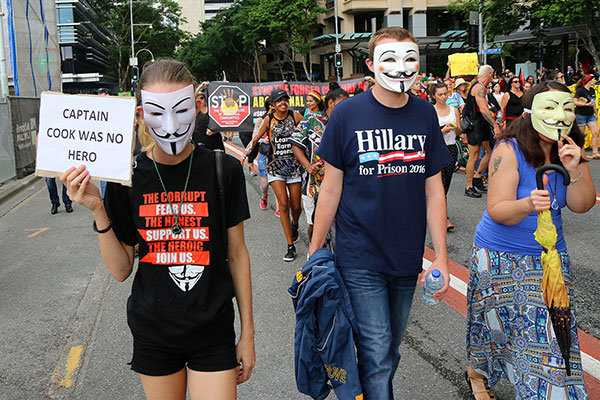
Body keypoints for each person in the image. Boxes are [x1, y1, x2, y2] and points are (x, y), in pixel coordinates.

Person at [60, 59, 255, 399]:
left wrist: (248, 333)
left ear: (197, 106)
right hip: (154, 332)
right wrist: (97, 208)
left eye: (180, 111)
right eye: (156, 112)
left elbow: (237, 255)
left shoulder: (224, 169)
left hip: (213, 330)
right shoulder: (129, 178)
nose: (170, 125)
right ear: (140, 114)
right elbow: (121, 270)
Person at [309, 27, 452, 400]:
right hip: (358, 255)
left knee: (387, 351)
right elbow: (331, 188)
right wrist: (314, 250)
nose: (401, 68)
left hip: (406, 257)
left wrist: (441, 256)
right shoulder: (346, 115)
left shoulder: (424, 115)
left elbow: (433, 187)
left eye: (410, 60)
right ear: (371, 65)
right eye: (390, 59)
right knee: (376, 350)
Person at [466, 81, 595, 400]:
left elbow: (582, 205)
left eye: (567, 108)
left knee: (553, 339)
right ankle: (478, 372)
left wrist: (575, 165)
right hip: (499, 257)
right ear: (530, 112)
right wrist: (527, 204)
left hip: (550, 259)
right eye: (550, 107)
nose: (560, 116)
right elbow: (497, 209)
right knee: (493, 325)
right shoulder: (509, 149)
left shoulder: (569, 148)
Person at [245, 89, 304, 262]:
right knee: (283, 205)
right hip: (276, 167)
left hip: (294, 167)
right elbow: (255, 139)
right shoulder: (268, 119)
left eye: (286, 100)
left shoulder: (295, 116)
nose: (283, 103)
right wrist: (246, 152)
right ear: (273, 104)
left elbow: (311, 128)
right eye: (279, 100)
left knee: (296, 206)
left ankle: (295, 224)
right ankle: (290, 245)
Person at [291, 87, 349, 241]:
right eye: (343, 102)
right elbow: (295, 145)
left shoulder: (348, 122)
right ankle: (315, 253)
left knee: (342, 225)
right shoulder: (311, 119)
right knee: (315, 224)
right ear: (330, 103)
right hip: (313, 184)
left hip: (342, 184)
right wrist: (308, 166)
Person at [464, 65, 502, 198]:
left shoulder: (480, 86)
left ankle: (478, 177)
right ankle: (469, 186)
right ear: (490, 74)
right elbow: (484, 109)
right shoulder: (479, 87)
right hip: (475, 125)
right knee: (473, 156)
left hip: (482, 125)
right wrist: (495, 126)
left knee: (490, 151)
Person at [431, 82, 462, 231]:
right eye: (440, 94)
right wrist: (442, 130)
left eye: (445, 93)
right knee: (440, 185)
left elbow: (460, 132)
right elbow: (428, 134)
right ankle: (443, 217)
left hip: (451, 148)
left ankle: (436, 211)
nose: (444, 97)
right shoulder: (430, 111)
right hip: (435, 150)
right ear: (433, 96)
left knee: (446, 184)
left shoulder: (454, 110)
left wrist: (456, 128)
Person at [574, 74, 600, 158]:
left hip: (590, 115)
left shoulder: (592, 90)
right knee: (581, 136)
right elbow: (575, 102)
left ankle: (595, 153)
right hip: (581, 115)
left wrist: (596, 114)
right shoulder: (580, 91)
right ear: (589, 80)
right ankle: (579, 153)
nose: (595, 80)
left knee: (596, 132)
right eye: (594, 79)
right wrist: (586, 104)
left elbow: (593, 103)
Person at [192, 86, 225, 151]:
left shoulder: (213, 109)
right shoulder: (194, 111)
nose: (200, 100)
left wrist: (214, 131)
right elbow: (190, 99)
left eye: (202, 98)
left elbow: (222, 123)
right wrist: (200, 86)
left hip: (214, 141)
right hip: (199, 140)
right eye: (197, 98)